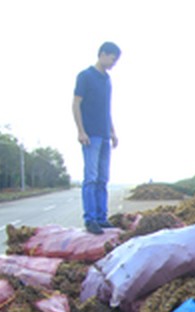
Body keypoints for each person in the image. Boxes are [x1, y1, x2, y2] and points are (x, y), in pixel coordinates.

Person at [73, 41, 120, 234]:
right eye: (111, 58)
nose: (112, 63)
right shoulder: (85, 76)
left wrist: (112, 131)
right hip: (90, 135)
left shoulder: (107, 80)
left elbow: (106, 109)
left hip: (104, 135)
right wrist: (80, 131)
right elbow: (76, 104)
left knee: (103, 179)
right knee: (91, 178)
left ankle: (102, 217)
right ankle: (90, 219)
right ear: (102, 54)